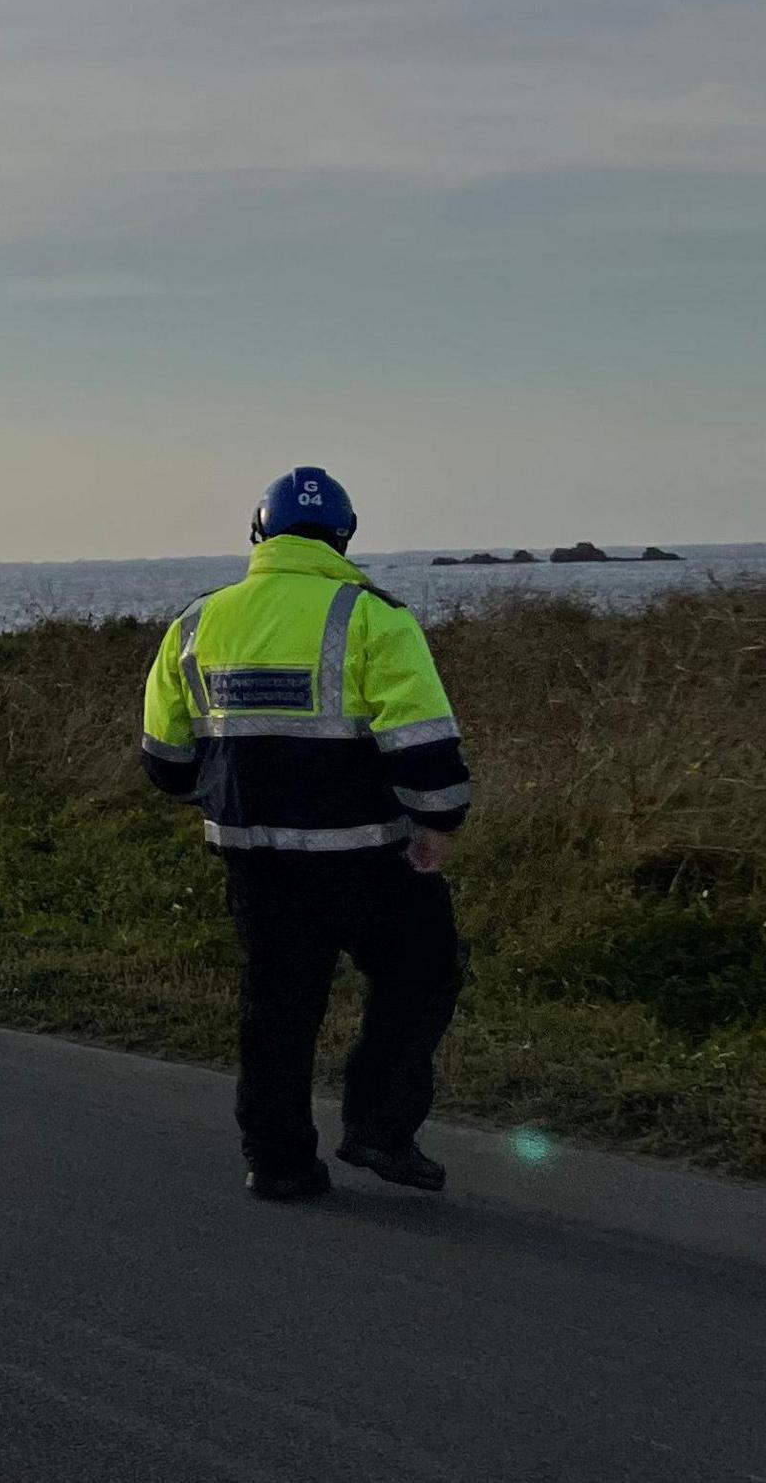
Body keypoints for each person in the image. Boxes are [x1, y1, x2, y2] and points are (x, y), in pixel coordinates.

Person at [140, 467, 471, 1201]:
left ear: (259, 533)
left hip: (256, 860)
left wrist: (231, 786)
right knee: (423, 971)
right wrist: (438, 823)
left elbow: (165, 761)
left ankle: (280, 1162)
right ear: (345, 535)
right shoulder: (374, 616)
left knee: (277, 1006)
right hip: (367, 856)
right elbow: (425, 749)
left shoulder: (197, 623)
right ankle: (380, 1126)